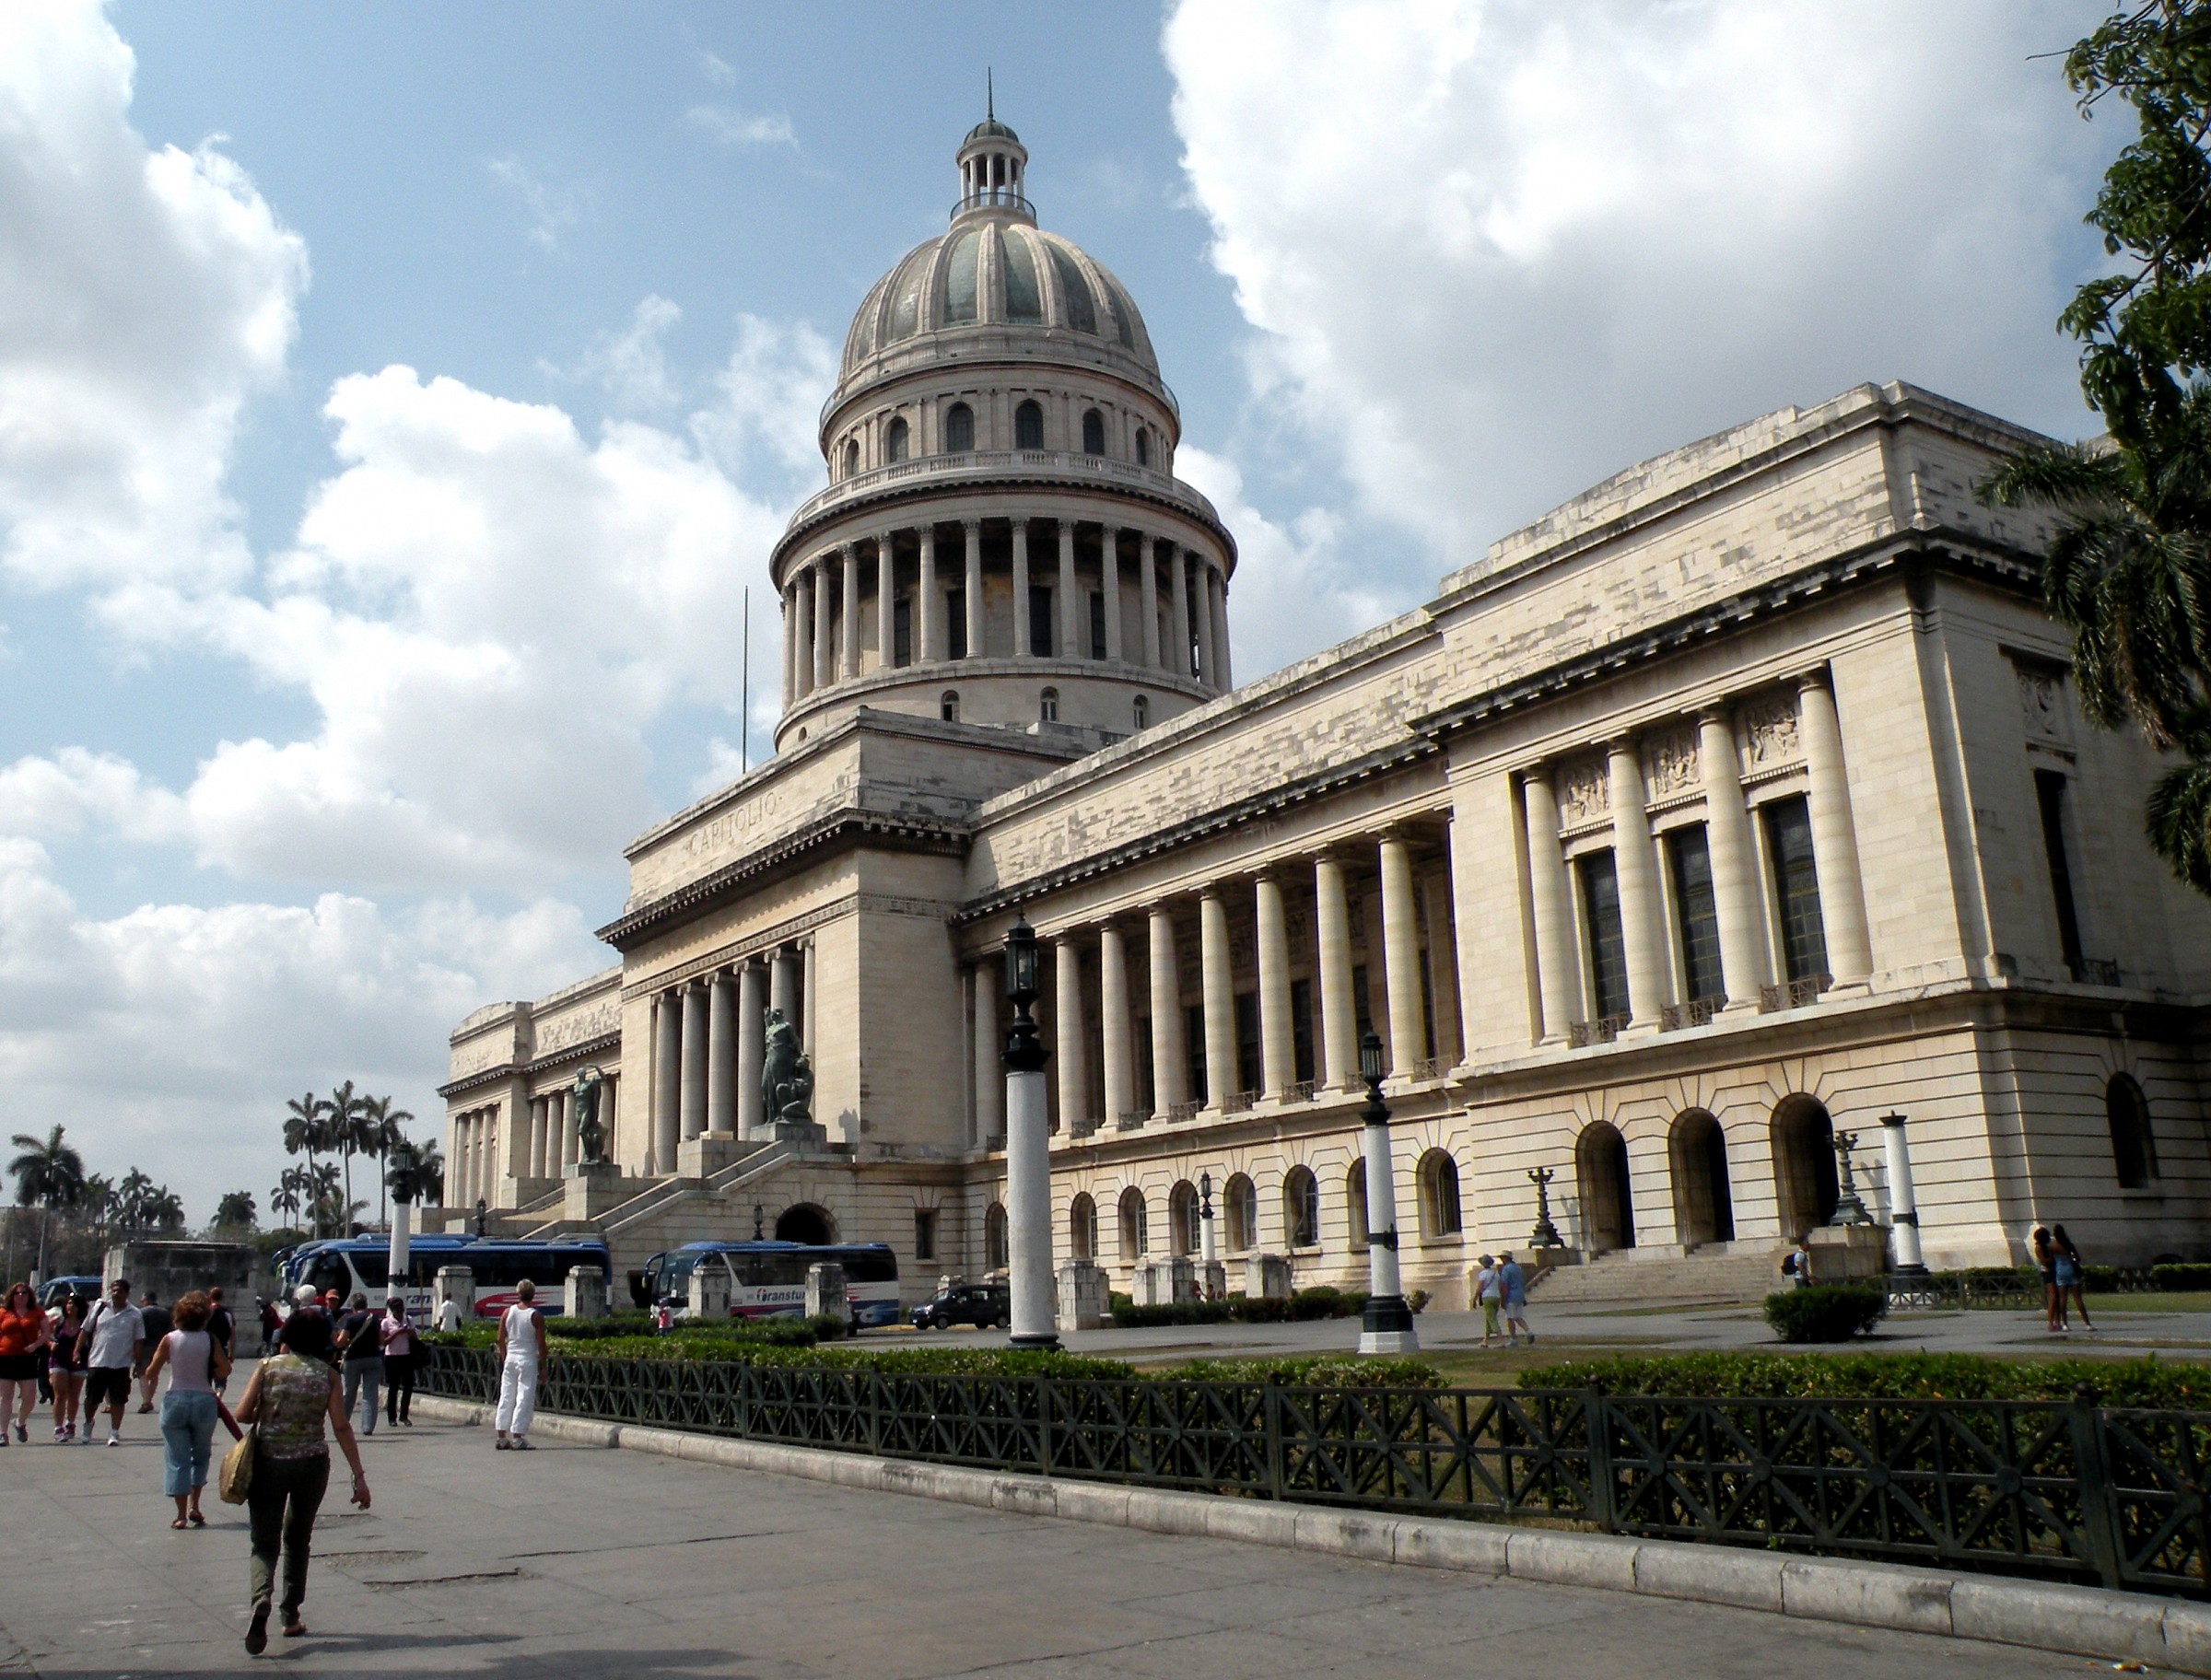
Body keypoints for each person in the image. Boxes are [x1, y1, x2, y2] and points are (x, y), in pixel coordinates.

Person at [232, 1306, 370, 1653]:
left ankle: (260, 1597)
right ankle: (290, 1614)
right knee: (298, 1538)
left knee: (264, 1543)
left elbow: (243, 1413)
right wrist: (359, 1476)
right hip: (311, 1463)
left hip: (268, 1462)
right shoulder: (328, 1376)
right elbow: (341, 1426)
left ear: (287, 1336)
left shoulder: (267, 1368)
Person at [143, 1290, 231, 1529]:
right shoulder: (209, 1339)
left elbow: (151, 1371)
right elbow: (225, 1368)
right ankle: (195, 1506)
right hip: (204, 1401)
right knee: (200, 1455)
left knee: (177, 1458)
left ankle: (180, 1515)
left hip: (176, 1399)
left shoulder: (170, 1339)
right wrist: (212, 1373)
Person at [82, 1279, 144, 1446]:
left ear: (126, 1293)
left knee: (118, 1400)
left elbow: (138, 1340)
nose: (116, 1294)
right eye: (114, 1291)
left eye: (120, 1291)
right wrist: (76, 1351)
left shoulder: (135, 1314)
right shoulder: (100, 1308)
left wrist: (138, 1363)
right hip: (98, 1360)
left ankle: (114, 1432)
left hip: (121, 1364)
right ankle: (88, 1424)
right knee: (92, 1399)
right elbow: (86, 1329)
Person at [493, 1278, 547, 1451]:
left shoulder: (507, 1313)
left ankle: (501, 1436)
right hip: (527, 1359)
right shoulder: (536, 1316)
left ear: (518, 1293)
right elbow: (541, 1344)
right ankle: (518, 1436)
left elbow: (500, 1339)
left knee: (506, 1395)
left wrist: (504, 1356)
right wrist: (544, 1366)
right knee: (524, 1396)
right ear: (533, 1295)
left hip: (511, 1358)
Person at [0, 1283, 48, 1444]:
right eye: (17, 1293)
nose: (20, 1296)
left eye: (24, 1293)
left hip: (27, 1359)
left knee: (29, 1398)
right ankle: (3, 1433)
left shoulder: (37, 1312)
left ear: (29, 1296)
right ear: (11, 1296)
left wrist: (35, 1345)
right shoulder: (4, 1312)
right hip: (5, 1357)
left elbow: (46, 1333)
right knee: (6, 1398)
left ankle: (20, 1422)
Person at [334, 1293, 383, 1435]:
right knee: (370, 1393)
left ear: (353, 1306)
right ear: (366, 1305)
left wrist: (338, 1341)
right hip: (373, 1358)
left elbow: (341, 1341)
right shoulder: (374, 1319)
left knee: (349, 1392)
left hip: (353, 1359)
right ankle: (368, 1427)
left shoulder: (350, 1319)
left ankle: (343, 1422)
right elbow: (381, 1340)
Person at [47, 1294, 87, 1443]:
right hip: (58, 1360)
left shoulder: (84, 1324)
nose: (71, 1307)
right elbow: (43, 1334)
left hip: (78, 1361)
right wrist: (50, 1344)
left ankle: (70, 1423)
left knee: (74, 1395)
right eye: (69, 1304)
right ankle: (58, 1427)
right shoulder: (58, 1321)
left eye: (74, 1304)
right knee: (60, 1394)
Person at [380, 1297, 416, 1428]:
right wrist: (396, 1333)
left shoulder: (409, 1320)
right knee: (393, 1387)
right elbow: (383, 1341)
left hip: (406, 1355)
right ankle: (392, 1417)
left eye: (401, 1310)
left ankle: (404, 1415)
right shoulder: (386, 1322)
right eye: (397, 1311)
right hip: (392, 1356)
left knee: (408, 1386)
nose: (400, 1314)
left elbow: (414, 1337)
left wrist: (409, 1332)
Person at [2053, 1224, 2096, 1334]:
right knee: (2078, 1299)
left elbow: (2050, 1260)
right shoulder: (2068, 1244)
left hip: (2060, 1271)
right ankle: (2087, 1323)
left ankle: (2065, 1324)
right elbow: (2077, 1258)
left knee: (2063, 1299)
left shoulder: (2053, 1246)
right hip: (2070, 1269)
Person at [135, 1290, 171, 1414]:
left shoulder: (141, 1313)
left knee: (142, 1374)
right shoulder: (165, 1313)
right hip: (160, 1346)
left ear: (146, 1300)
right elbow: (170, 1331)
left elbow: (136, 1332)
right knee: (155, 1374)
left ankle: (146, 1401)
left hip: (144, 1346)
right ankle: (149, 1399)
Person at [1497, 1252, 1533, 1346]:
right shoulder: (1518, 1268)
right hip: (1519, 1295)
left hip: (1510, 1296)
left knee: (1510, 1318)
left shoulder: (1506, 1269)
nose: (1501, 1260)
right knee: (1518, 1316)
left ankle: (1513, 1339)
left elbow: (1504, 1285)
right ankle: (1528, 1331)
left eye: (1502, 1258)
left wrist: (1503, 1299)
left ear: (1506, 1258)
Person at [205, 1288, 237, 1394]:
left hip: (206, 1347)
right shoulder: (227, 1314)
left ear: (210, 1297)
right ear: (222, 1298)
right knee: (221, 1381)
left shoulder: (206, 1312)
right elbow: (232, 1335)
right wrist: (231, 1353)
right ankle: (218, 1398)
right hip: (222, 1348)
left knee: (206, 1377)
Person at [2032, 1225, 2063, 1332]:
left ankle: (2058, 1322)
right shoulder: (2039, 1247)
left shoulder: (2048, 1247)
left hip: (2053, 1272)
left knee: (2057, 1299)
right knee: (2053, 1298)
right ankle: (2050, 1323)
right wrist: (2052, 1258)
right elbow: (2044, 1261)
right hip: (2047, 1273)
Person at [1472, 1255, 1501, 1348]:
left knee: (1492, 1319)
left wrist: (1474, 1299)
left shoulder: (1483, 1274)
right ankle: (1485, 1341)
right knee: (1489, 1318)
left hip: (1487, 1297)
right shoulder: (1496, 1273)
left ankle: (1501, 1340)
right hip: (1496, 1297)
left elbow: (1479, 1288)